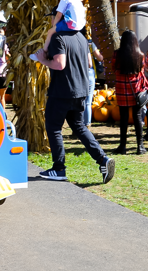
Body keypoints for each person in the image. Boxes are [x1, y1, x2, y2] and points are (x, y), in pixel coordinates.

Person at [35, 29, 115, 184]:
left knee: (53, 128)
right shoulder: (81, 37)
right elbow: (89, 63)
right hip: (80, 90)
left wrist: (42, 60)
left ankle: (59, 168)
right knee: (79, 127)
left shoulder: (58, 37)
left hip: (61, 91)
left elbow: (59, 64)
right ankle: (103, 159)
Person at [112, 30, 148, 155]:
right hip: (136, 90)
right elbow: (141, 71)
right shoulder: (140, 55)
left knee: (123, 118)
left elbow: (113, 68)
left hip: (122, 89)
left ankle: (122, 146)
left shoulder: (117, 54)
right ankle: (140, 146)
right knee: (137, 117)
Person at [0, 26, 10, 105]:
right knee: (2, 97)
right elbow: (8, 57)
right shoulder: (4, 45)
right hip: (3, 73)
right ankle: (3, 115)